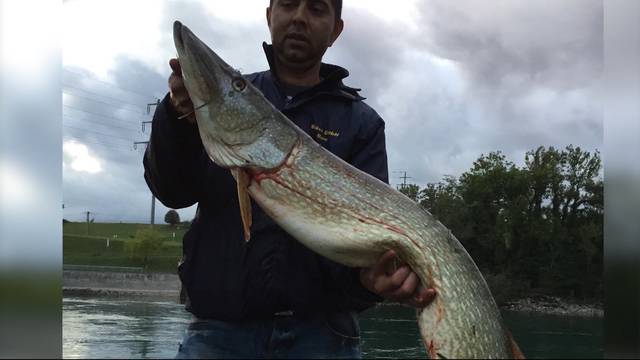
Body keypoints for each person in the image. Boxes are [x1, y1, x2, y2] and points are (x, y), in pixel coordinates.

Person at [144, 0, 435, 358]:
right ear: (269, 16)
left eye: (315, 8)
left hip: (324, 338)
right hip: (218, 334)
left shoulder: (361, 124)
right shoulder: (223, 106)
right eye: (288, 4)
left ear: (335, 30)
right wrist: (175, 118)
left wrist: (369, 283)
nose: (299, 17)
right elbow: (172, 192)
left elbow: (368, 244)